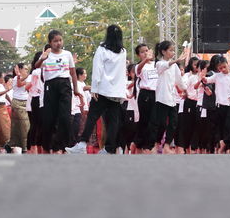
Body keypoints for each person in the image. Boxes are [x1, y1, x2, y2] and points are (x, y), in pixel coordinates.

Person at [71, 24, 128, 154]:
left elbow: (98, 69)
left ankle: (82, 144)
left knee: (92, 116)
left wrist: (94, 89)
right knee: (114, 120)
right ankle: (108, 149)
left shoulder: (102, 49)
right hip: (116, 92)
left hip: (103, 90)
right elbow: (120, 72)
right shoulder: (123, 52)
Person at [35, 30, 78, 153]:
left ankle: (62, 146)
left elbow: (73, 72)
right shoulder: (46, 55)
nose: (58, 43)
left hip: (65, 85)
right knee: (50, 119)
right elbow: (37, 67)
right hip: (50, 86)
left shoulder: (67, 54)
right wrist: (42, 58)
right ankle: (48, 147)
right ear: (50, 42)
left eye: (60, 40)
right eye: (55, 41)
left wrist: (76, 89)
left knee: (65, 117)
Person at [149, 39, 190, 153]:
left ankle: (167, 145)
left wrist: (185, 90)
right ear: (163, 52)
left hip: (172, 99)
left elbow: (179, 81)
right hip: (161, 98)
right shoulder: (159, 64)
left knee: (173, 123)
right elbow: (165, 65)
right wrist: (176, 60)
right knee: (160, 124)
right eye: (170, 50)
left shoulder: (175, 66)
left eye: (173, 50)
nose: (173, 52)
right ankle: (156, 144)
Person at [133, 43, 157, 151]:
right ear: (138, 55)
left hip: (156, 95)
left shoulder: (156, 64)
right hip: (145, 95)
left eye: (147, 50)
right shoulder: (139, 66)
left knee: (154, 121)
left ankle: (149, 145)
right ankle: (139, 144)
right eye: (142, 52)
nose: (145, 53)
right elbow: (137, 70)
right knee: (145, 121)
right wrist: (146, 60)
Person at [8, 62, 30, 154]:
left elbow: (28, 87)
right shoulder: (16, 79)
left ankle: (10, 145)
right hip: (18, 103)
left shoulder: (28, 78)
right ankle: (25, 148)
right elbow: (20, 84)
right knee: (25, 126)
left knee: (17, 127)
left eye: (27, 69)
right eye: (25, 69)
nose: (27, 70)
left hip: (26, 103)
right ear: (19, 70)